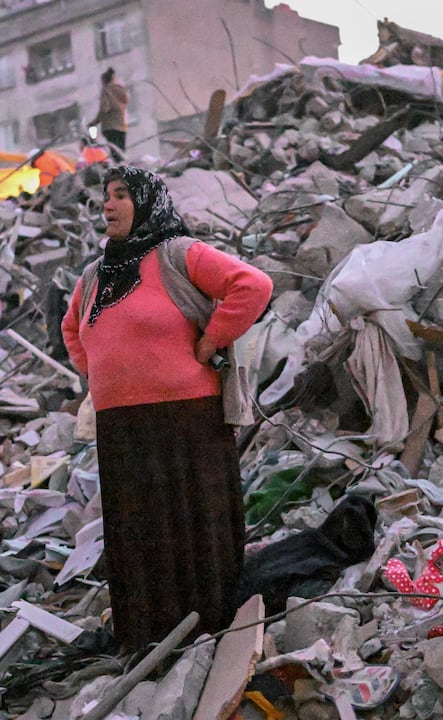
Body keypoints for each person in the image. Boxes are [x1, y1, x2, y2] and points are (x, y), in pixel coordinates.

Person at [61, 165, 272, 651]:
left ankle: (212, 630)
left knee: (193, 523)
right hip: (122, 428)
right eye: (105, 197)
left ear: (146, 202)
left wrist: (210, 343)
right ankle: (148, 636)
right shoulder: (95, 275)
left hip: (186, 420)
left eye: (120, 196)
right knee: (138, 531)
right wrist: (96, 372)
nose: (108, 205)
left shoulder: (178, 254)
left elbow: (252, 285)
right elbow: (72, 329)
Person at [93, 68, 129, 158]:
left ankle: (119, 170)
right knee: (122, 153)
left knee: (115, 154)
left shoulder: (106, 90)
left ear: (104, 80)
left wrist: (93, 123)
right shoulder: (120, 90)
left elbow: (104, 109)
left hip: (110, 127)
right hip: (122, 126)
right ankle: (124, 169)